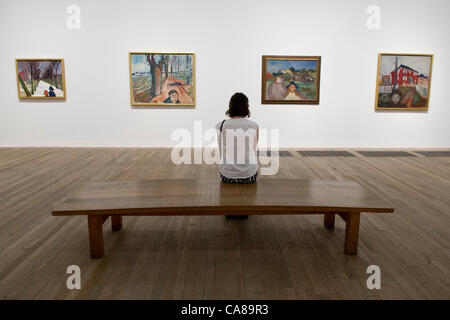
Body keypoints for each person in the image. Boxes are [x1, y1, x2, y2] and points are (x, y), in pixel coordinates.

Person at [215, 92, 259, 219]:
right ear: (246, 107)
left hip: (227, 175)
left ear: (230, 107)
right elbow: (252, 149)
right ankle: (245, 208)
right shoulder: (254, 125)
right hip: (249, 175)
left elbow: (221, 149)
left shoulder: (221, 125)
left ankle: (230, 209)